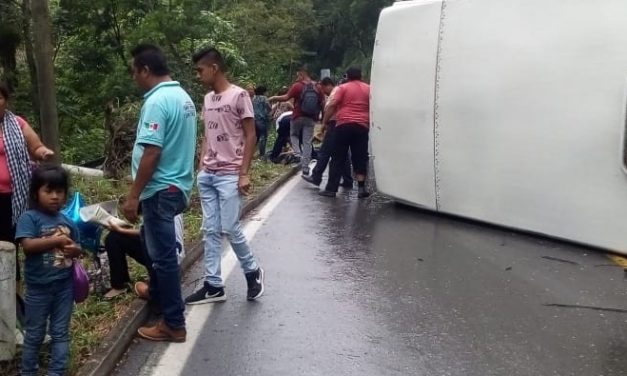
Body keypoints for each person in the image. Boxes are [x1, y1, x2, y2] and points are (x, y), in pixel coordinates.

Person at [123, 43, 196, 342]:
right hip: (176, 185)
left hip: (159, 190)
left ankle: (174, 323)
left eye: (134, 72)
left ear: (145, 70)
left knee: (163, 258)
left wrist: (133, 195)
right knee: (150, 244)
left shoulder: (156, 102)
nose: (134, 78)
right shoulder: (183, 97)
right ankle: (155, 292)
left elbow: (152, 151)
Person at [185, 47, 265, 305]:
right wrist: (200, 168)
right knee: (209, 230)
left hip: (230, 174)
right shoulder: (208, 99)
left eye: (200, 70)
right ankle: (213, 285)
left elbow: (251, 134)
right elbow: (208, 134)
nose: (198, 75)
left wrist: (244, 173)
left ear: (214, 68)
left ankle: (252, 271)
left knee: (229, 227)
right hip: (208, 174)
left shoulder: (239, 95)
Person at [16, 164, 82, 376]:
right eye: (48, 191)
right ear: (36, 193)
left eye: (59, 192)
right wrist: (58, 240)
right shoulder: (30, 218)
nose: (54, 196)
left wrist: (75, 249)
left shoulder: (68, 221)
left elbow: (78, 248)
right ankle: (28, 371)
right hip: (38, 289)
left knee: (60, 332)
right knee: (34, 333)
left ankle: (57, 371)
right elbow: (28, 246)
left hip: (64, 286)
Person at [0, 83, 54, 280]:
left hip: (14, 198)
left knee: (10, 244)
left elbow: (36, 146)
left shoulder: (17, 123)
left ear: (6, 101)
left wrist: (43, 152)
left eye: (0, 98)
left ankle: (13, 290)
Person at [103, 215, 185, 300]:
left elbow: (148, 233)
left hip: (165, 257)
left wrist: (121, 229)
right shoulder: (168, 206)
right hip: (170, 255)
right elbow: (148, 232)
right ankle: (120, 285)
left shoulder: (156, 208)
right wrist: (123, 229)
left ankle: (156, 288)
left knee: (114, 237)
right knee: (115, 236)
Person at [319, 67, 371, 198]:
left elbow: (331, 105)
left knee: (338, 157)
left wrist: (324, 123)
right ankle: (361, 188)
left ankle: (331, 189)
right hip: (362, 126)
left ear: (347, 76)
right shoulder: (368, 88)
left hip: (343, 125)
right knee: (360, 156)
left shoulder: (342, 88)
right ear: (361, 75)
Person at [269, 65, 324, 176]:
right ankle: (305, 167)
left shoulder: (297, 86)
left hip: (297, 117)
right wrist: (322, 117)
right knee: (307, 142)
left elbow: (285, 97)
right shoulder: (318, 87)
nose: (297, 76)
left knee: (293, 135)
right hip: (311, 119)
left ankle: (297, 153)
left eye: (298, 74)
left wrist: (273, 97)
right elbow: (322, 103)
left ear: (302, 73)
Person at [302, 77, 353, 187]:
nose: (323, 92)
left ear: (328, 85)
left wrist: (324, 124)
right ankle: (348, 179)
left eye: (323, 89)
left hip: (334, 124)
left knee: (324, 152)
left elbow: (330, 107)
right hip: (343, 124)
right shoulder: (343, 92)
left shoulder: (336, 92)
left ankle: (316, 177)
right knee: (342, 153)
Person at [252, 86, 271, 158]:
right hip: (262, 119)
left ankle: (251, 153)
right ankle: (262, 154)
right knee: (263, 136)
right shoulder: (264, 98)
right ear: (263, 92)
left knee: (256, 137)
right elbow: (268, 107)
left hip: (254, 119)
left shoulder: (253, 98)